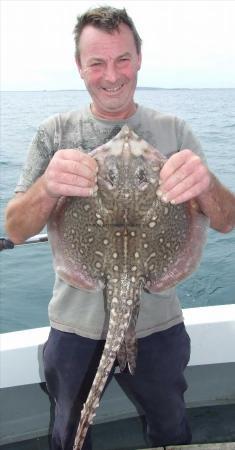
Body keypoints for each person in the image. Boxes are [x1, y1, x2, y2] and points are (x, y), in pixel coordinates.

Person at [5, 6, 235, 450]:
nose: (111, 74)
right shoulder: (54, 132)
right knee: (69, 430)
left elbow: (226, 221)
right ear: (80, 67)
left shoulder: (176, 131)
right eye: (97, 62)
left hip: (159, 328)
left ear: (139, 58)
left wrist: (204, 184)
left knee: (170, 427)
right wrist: (48, 187)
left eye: (122, 59)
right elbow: (13, 229)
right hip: (74, 328)